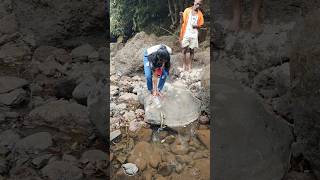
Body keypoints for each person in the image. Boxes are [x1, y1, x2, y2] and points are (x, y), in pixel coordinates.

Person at [179, 0, 204, 71]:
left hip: (194, 35)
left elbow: (201, 25)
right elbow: (181, 22)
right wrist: (181, 16)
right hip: (186, 33)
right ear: (194, 1)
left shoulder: (200, 14)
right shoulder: (187, 10)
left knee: (192, 50)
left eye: (200, 4)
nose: (198, 5)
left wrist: (196, 26)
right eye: (197, 3)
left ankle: (190, 65)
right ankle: (184, 65)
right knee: (184, 50)